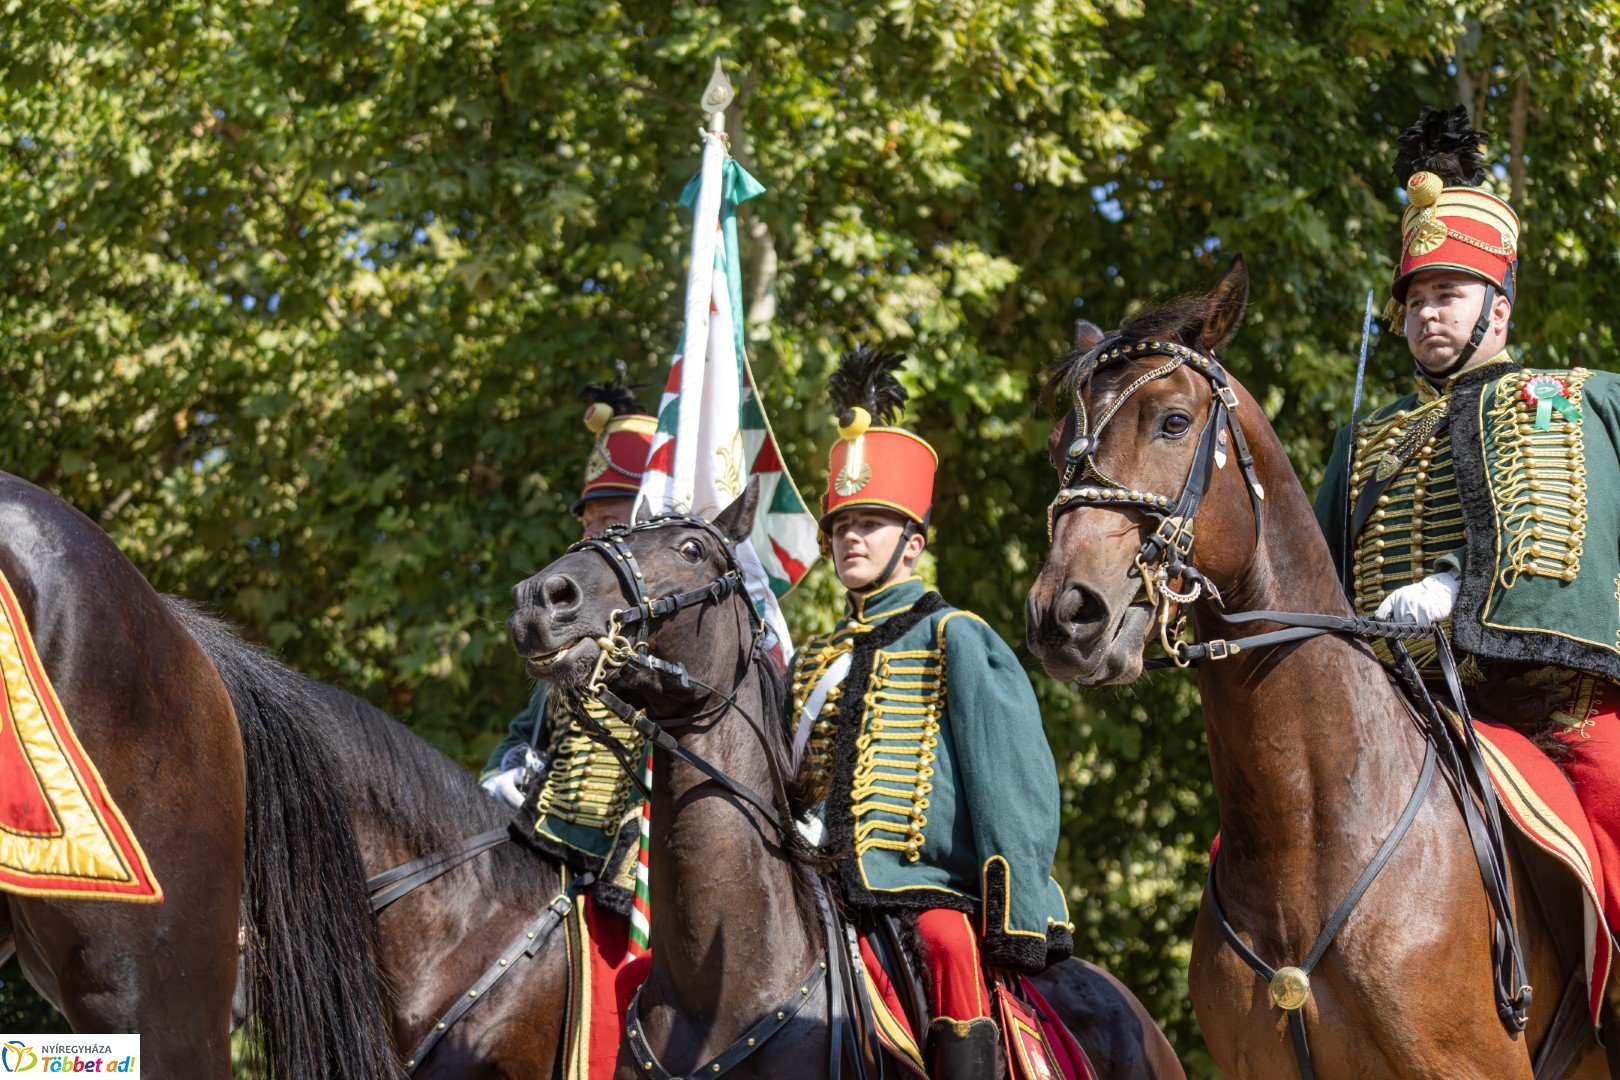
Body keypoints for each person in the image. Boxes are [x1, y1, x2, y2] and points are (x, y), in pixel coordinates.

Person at [1315, 106, 1620, 1055]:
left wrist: (1459, 586)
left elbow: (1564, 531)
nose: (1428, 313)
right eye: (1415, 298)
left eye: (1452, 291)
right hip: (1402, 726)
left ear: (1501, 306)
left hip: (1550, 715)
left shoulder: (1571, 401)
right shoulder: (1360, 444)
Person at [788, 346, 1073, 1077]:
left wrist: (1016, 914)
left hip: (919, 889)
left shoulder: (955, 634)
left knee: (949, 944)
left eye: (872, 525)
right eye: (842, 526)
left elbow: (1011, 781)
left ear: (911, 546)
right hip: (812, 882)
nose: (851, 537)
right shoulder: (812, 658)